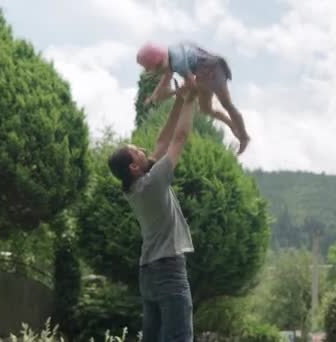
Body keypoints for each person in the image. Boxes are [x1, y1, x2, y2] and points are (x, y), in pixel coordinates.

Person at [107, 85, 197, 342]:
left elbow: (161, 140)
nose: (144, 150)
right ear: (135, 166)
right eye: (138, 151)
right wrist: (191, 100)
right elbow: (178, 138)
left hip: (148, 273)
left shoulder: (136, 186)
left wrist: (178, 101)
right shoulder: (154, 182)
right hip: (168, 269)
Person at [136, 40, 251, 154]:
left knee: (227, 104)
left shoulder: (177, 62)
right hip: (202, 72)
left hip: (213, 69)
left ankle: (244, 137)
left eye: (155, 69)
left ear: (159, 63)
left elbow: (192, 85)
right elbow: (165, 80)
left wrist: (178, 92)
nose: (156, 72)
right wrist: (153, 97)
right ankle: (231, 125)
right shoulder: (169, 56)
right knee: (205, 109)